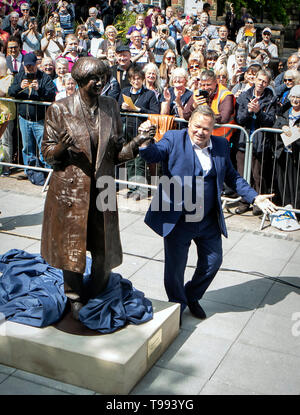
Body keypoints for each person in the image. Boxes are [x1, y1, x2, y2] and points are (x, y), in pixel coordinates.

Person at [40, 56, 155, 319]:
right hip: (71, 191)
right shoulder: (59, 109)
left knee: (104, 252)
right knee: (72, 248)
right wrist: (61, 148)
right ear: (80, 81)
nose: (100, 82)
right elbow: (47, 153)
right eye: (94, 78)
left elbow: (116, 153)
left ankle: (96, 289)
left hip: (102, 189)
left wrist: (138, 141)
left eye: (103, 77)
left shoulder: (111, 106)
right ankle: (75, 295)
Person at [138, 105, 277, 319]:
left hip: (208, 219)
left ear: (213, 129)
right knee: (175, 268)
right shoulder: (174, 138)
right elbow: (153, 155)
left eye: (206, 128)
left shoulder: (220, 144)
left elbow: (232, 176)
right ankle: (177, 305)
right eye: (197, 126)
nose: (200, 132)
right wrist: (145, 139)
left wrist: (254, 197)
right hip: (179, 218)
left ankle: (192, 295)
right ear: (189, 124)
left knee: (213, 262)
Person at [235, 69, 277, 215]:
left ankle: (259, 203)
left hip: (260, 142)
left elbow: (270, 121)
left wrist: (259, 111)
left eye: (264, 81)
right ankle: (244, 201)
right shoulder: (245, 95)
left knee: (257, 175)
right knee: (242, 174)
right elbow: (239, 119)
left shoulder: (271, 98)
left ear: (268, 83)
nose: (261, 83)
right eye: (259, 80)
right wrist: (249, 110)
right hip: (243, 140)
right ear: (255, 80)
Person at [8, 52, 56, 174]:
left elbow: (51, 96)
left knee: (43, 148)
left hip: (40, 119)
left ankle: (46, 172)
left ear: (37, 64)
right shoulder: (19, 76)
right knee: (27, 148)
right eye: (27, 66)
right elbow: (11, 92)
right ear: (23, 65)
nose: (29, 68)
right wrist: (19, 86)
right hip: (24, 119)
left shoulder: (44, 78)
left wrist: (39, 89)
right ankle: (30, 172)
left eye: (31, 66)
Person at [183, 70, 236, 142]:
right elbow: (185, 116)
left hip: (221, 139)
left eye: (208, 85)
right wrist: (194, 106)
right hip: (200, 137)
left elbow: (224, 118)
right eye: (203, 85)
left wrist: (206, 109)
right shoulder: (197, 93)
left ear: (215, 82)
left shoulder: (226, 95)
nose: (205, 88)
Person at [273, 85, 300, 210]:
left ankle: (296, 209)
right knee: (284, 183)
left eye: (298, 98)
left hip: (297, 154)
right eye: (293, 97)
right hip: (283, 152)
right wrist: (283, 125)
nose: (295, 100)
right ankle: (286, 207)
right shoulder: (285, 111)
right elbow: (277, 123)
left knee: (296, 184)